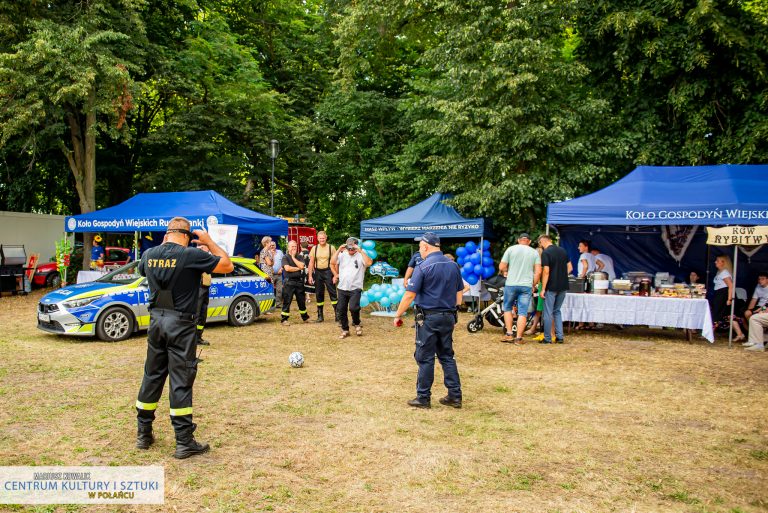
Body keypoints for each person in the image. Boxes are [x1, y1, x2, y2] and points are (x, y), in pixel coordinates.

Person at [135, 217, 233, 459]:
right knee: (180, 379)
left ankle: (143, 434)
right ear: (187, 237)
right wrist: (209, 241)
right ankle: (184, 441)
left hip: (156, 321)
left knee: (152, 376)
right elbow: (227, 265)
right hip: (181, 325)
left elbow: (141, 271)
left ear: (167, 234)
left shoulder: (149, 254)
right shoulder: (190, 255)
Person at [394, 232, 464, 409]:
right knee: (447, 356)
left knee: (425, 358)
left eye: (420, 247)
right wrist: (453, 312)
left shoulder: (423, 266)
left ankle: (423, 397)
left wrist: (398, 314)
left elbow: (410, 294)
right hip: (448, 316)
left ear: (425, 246)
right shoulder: (453, 265)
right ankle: (455, 396)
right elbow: (458, 293)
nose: (419, 250)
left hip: (429, 318)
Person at [498, 233, 541, 344]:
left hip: (511, 284)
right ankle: (518, 338)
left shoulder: (511, 249)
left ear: (518, 240)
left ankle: (509, 334)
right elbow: (538, 271)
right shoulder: (534, 252)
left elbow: (501, 266)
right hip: (526, 285)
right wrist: (533, 284)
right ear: (529, 241)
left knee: (507, 308)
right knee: (522, 312)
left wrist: (506, 271)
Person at [331, 237, 372, 338]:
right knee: (341, 309)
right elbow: (332, 262)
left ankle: (357, 323)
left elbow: (369, 263)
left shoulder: (360, 255)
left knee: (354, 308)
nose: (350, 250)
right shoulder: (342, 254)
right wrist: (339, 249)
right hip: (342, 287)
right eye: (349, 248)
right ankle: (345, 330)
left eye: (352, 248)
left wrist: (360, 250)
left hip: (355, 287)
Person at [538, 234, 572, 344]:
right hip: (563, 286)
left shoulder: (546, 253)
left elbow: (546, 271)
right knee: (557, 311)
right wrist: (562, 275)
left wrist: (543, 288)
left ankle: (547, 338)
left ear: (542, 242)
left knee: (548, 312)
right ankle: (560, 337)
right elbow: (570, 268)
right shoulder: (563, 251)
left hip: (551, 286)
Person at [307, 231, 338, 323]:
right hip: (318, 272)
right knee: (319, 293)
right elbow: (311, 263)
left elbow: (335, 262)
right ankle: (320, 316)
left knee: (332, 293)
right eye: (320, 238)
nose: (322, 240)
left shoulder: (331, 248)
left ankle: (337, 315)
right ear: (317, 239)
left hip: (329, 271)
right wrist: (309, 276)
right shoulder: (314, 248)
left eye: (323, 238)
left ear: (326, 238)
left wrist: (335, 275)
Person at [279, 240, 310, 325]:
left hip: (299, 282)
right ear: (288, 247)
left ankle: (305, 318)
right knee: (287, 301)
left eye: (295, 246)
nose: (294, 248)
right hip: (289, 282)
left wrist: (293, 258)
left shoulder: (299, 256)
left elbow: (302, 266)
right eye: (292, 246)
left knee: (301, 301)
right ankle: (284, 319)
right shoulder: (285, 257)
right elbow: (287, 268)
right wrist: (298, 268)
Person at [709, 255, 738, 333]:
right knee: (716, 312)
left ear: (723, 263)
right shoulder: (720, 272)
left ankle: (711, 331)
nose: (715, 262)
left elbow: (731, 286)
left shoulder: (725, 273)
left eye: (717, 261)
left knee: (717, 313)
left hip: (723, 294)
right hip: (719, 293)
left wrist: (729, 299)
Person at [195, 243, 212, 346]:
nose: (201, 247)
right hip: (198, 288)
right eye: (200, 245)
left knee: (202, 315)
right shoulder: (197, 257)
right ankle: (192, 338)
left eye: (203, 245)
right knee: (196, 314)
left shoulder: (207, 257)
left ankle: (198, 337)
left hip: (205, 287)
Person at [258, 236, 275, 311]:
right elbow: (269, 263)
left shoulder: (268, 252)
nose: (271, 244)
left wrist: (271, 260)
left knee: (270, 288)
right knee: (267, 289)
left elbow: (272, 263)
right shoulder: (264, 251)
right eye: (270, 242)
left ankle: (270, 307)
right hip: (266, 272)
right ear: (266, 243)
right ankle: (267, 308)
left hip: (269, 271)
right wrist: (270, 262)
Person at [271, 241, 285, 309]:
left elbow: (284, 262)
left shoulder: (280, 252)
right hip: (271, 275)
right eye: (271, 245)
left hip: (279, 274)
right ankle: (271, 304)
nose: (272, 246)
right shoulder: (267, 253)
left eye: (273, 245)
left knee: (279, 290)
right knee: (270, 290)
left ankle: (278, 304)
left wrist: (281, 269)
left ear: (275, 245)